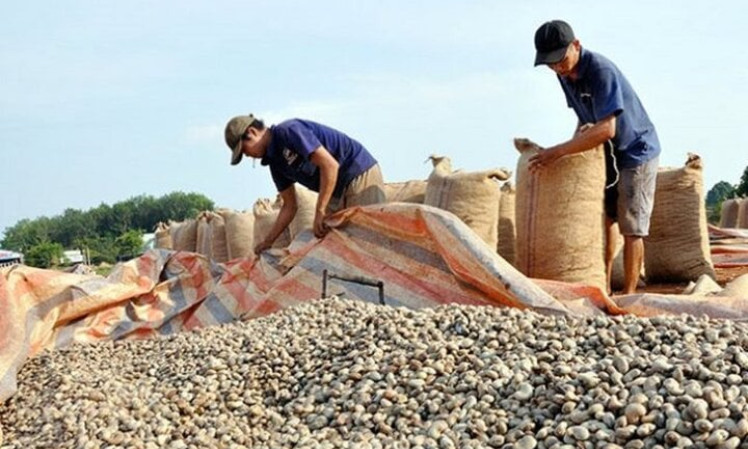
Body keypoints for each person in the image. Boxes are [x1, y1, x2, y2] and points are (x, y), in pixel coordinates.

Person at [528, 20, 661, 295]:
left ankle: (629, 295)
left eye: (560, 60)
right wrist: (571, 155)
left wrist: (558, 151)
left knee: (631, 225)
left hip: (636, 150)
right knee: (605, 218)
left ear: (576, 45)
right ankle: (604, 285)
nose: (556, 68)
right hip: (608, 154)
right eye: (550, 64)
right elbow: (584, 118)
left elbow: (606, 127)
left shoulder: (600, 70)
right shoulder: (564, 75)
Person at [224, 114, 385, 254]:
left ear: (252, 132)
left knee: (367, 243)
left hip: (356, 171)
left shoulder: (288, 131)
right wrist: (268, 242)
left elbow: (330, 165)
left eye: (244, 150)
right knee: (330, 242)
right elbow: (289, 206)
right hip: (336, 188)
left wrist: (320, 210)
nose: (247, 155)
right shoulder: (275, 163)